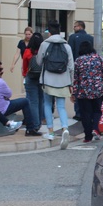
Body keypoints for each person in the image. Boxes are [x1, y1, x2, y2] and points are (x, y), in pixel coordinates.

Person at [36, 19, 74, 149]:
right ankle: (65, 129)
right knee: (61, 106)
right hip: (63, 80)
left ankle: (51, 132)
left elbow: (39, 62)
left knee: (47, 104)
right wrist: (71, 83)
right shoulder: (67, 46)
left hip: (48, 80)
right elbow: (71, 66)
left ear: (49, 32)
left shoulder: (44, 44)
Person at [72, 40, 103, 143]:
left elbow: (75, 78)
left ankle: (87, 137)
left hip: (83, 91)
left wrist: (74, 92)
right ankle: (95, 128)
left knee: (85, 113)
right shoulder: (99, 58)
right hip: (98, 90)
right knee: (97, 110)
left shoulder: (78, 60)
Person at [0, 59, 29, 130]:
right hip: (2, 109)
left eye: (2, 69)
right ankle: (30, 127)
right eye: (0, 69)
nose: (2, 71)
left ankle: (25, 123)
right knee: (25, 101)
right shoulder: (0, 81)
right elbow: (9, 94)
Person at [68, 20, 94, 121]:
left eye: (75, 27)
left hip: (76, 67)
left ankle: (78, 113)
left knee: (77, 89)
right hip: (89, 68)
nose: (74, 29)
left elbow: (70, 52)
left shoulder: (73, 37)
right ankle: (87, 111)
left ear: (79, 27)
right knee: (88, 89)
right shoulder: (91, 38)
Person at [21, 32, 44, 136]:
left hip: (30, 77)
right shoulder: (43, 51)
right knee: (41, 101)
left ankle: (34, 125)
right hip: (42, 78)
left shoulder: (27, 51)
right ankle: (39, 123)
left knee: (33, 102)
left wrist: (25, 75)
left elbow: (25, 67)